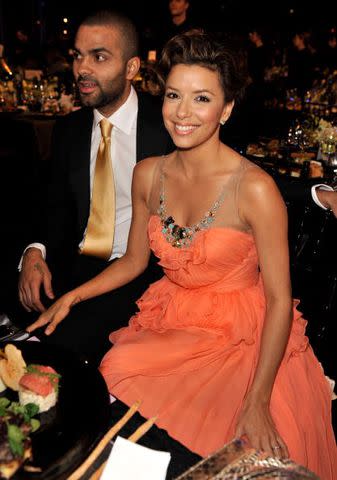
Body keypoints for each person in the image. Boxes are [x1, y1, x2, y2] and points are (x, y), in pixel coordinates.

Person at [27, 31, 336, 478]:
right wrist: (72, 296)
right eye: (174, 95)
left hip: (243, 333)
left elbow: (278, 299)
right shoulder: (149, 174)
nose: (183, 113)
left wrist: (258, 398)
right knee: (115, 378)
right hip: (172, 319)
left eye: (202, 98)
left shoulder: (255, 188)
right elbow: (134, 261)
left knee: (223, 444)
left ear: (226, 109)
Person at [18, 10, 173, 365]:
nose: (82, 69)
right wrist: (34, 252)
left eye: (99, 57)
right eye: (77, 56)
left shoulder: (165, 126)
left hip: (140, 272)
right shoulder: (68, 130)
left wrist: (318, 192)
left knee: (58, 352)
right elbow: (54, 205)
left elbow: (227, 171)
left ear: (132, 67)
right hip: (73, 264)